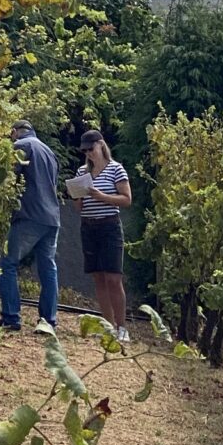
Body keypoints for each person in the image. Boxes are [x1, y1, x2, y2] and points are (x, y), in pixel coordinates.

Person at [0, 120, 60, 331]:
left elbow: (8, 180)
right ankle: (48, 320)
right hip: (52, 217)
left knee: (7, 263)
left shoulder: (21, 146)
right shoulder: (49, 152)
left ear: (14, 132)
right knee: (48, 268)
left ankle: (11, 317)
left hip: (30, 215)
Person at [75, 129, 132, 342]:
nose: (89, 153)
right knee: (98, 276)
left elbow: (126, 199)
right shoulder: (82, 172)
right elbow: (79, 207)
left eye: (91, 149)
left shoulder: (116, 169)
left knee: (113, 277)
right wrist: (77, 196)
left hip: (109, 226)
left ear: (101, 145)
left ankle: (122, 327)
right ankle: (108, 325)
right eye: (85, 151)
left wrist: (102, 196)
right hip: (88, 226)